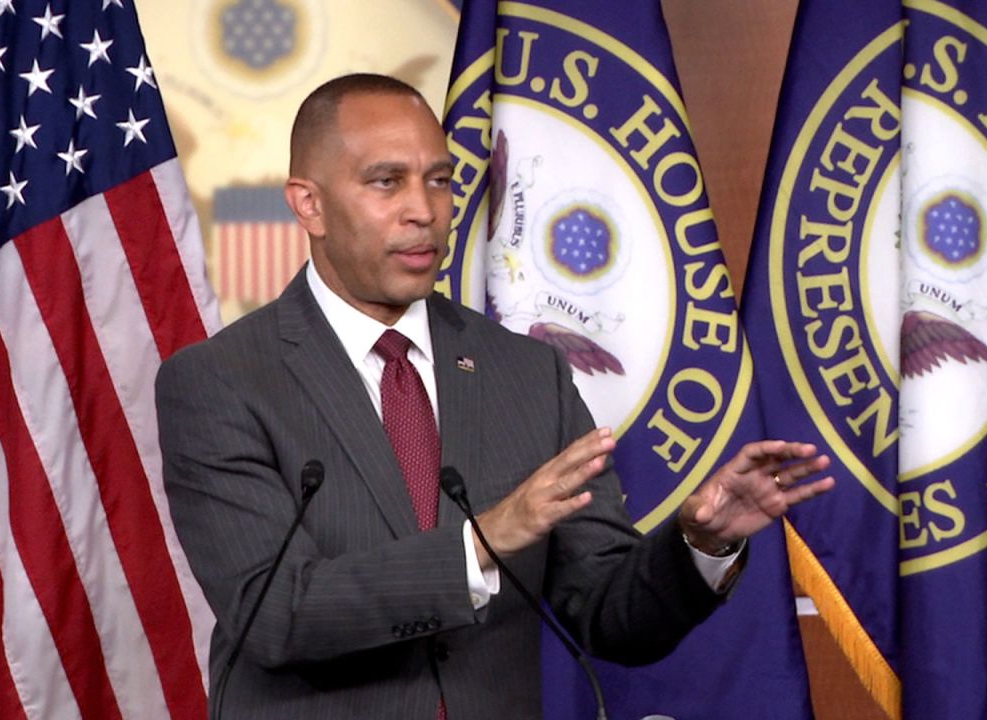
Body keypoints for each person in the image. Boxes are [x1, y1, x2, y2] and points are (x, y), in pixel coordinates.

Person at [155, 73, 833, 720]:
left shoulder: (529, 374)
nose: (423, 211)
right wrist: (480, 544)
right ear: (309, 203)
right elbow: (275, 614)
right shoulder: (222, 382)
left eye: (440, 181)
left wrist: (696, 543)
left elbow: (606, 614)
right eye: (386, 182)